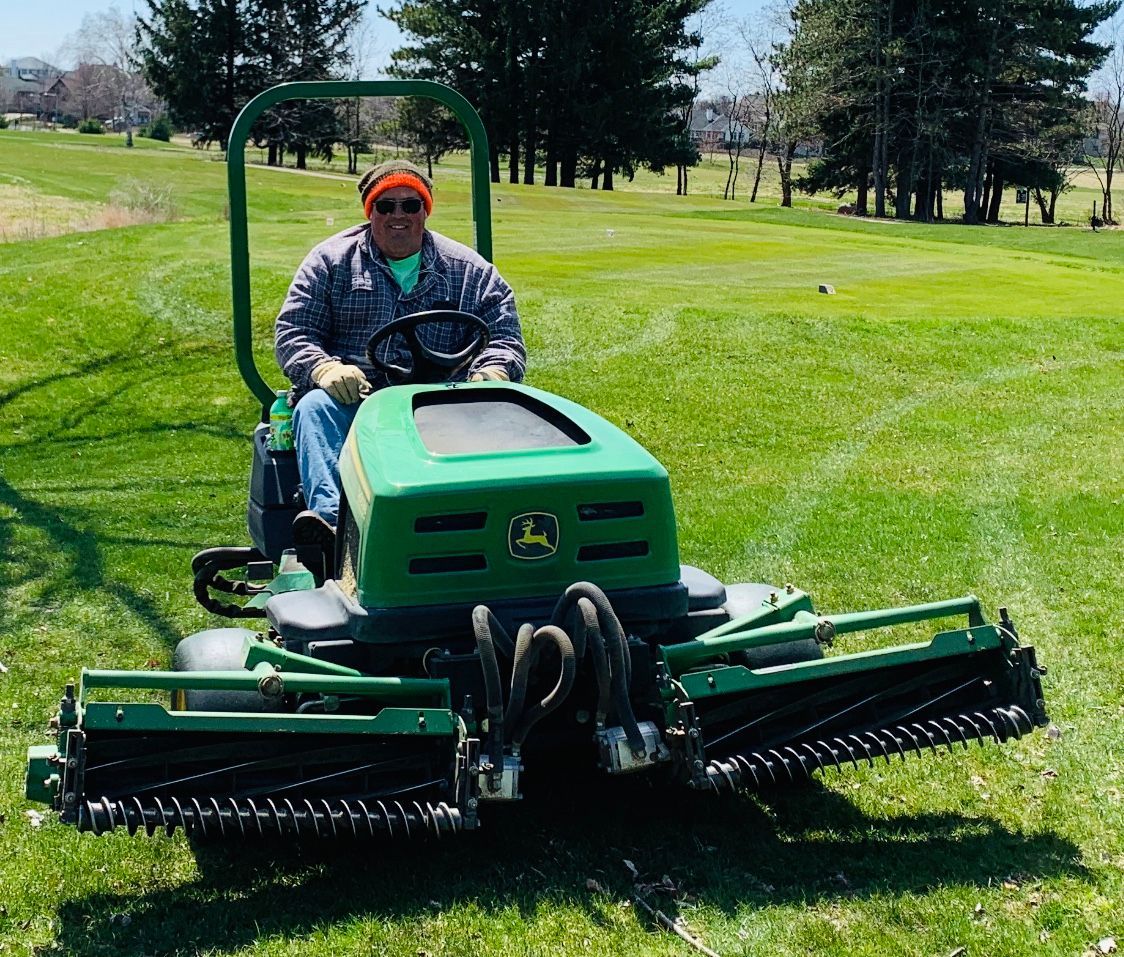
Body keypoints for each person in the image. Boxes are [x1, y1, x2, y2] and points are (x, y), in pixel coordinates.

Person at [275, 159, 526, 547]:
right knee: (313, 409)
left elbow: (504, 336)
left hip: (442, 402)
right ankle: (332, 530)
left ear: (425, 211)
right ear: (369, 211)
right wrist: (323, 369)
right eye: (385, 205)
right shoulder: (330, 262)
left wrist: (492, 371)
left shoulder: (468, 270)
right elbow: (294, 332)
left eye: (410, 205)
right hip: (356, 398)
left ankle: (488, 530)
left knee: (507, 413)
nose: (398, 215)